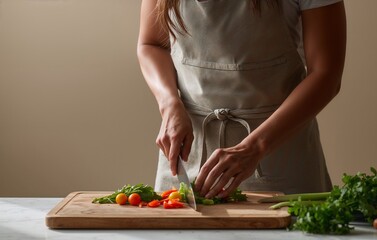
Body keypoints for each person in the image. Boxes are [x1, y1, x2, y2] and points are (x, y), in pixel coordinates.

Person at [137, 0, 346, 199]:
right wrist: (169, 103)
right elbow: (151, 43)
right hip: (187, 153)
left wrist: (255, 148)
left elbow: (326, 74)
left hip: (280, 158)